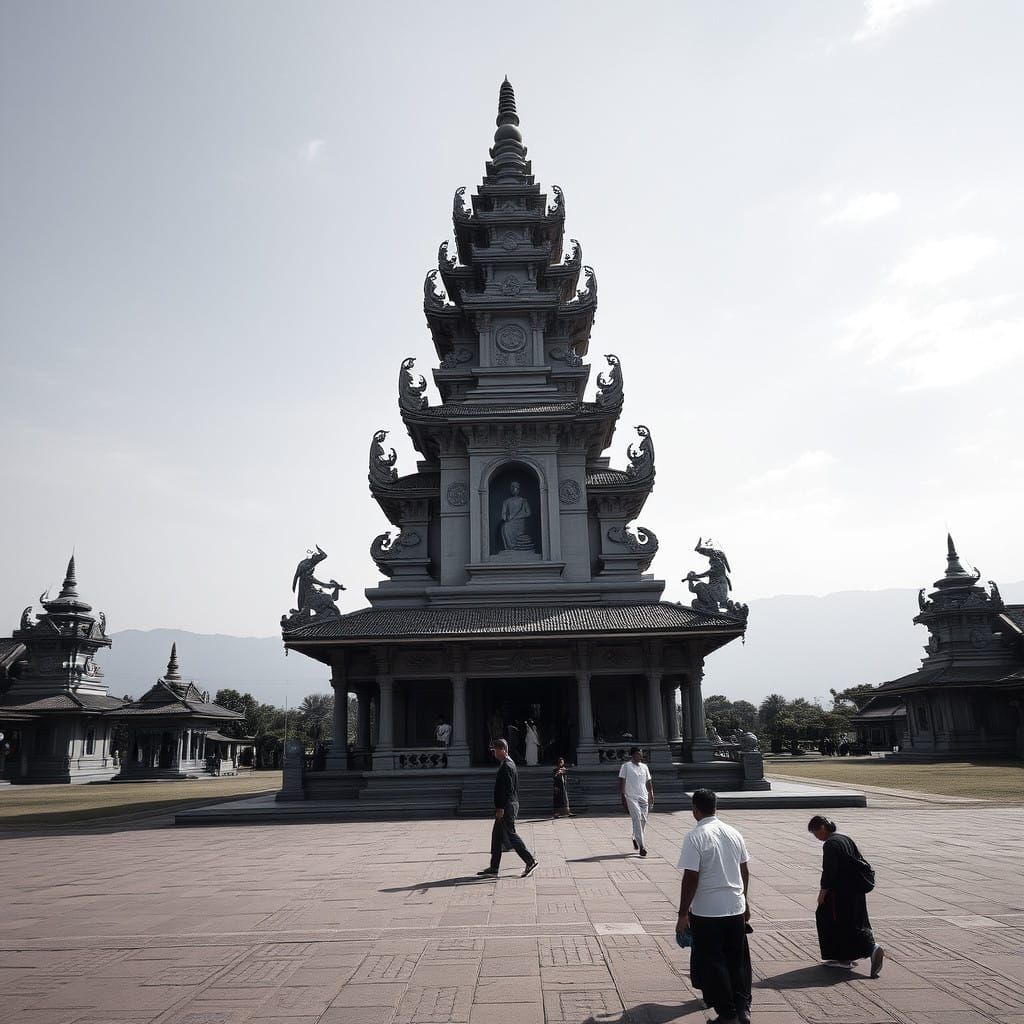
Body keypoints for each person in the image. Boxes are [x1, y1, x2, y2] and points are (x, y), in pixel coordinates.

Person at [676, 789, 752, 1024]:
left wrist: (682, 914)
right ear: (715, 807)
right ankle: (742, 1008)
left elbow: (690, 877)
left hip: (708, 910)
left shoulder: (695, 836)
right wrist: (746, 902)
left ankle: (727, 1014)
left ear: (695, 810)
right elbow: (744, 871)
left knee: (714, 961)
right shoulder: (734, 833)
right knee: (737, 959)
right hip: (735, 906)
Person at [808, 815, 884, 977]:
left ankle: (858, 953)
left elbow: (829, 871)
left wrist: (823, 892)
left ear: (822, 828)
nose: (816, 837)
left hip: (839, 893)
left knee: (831, 919)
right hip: (854, 891)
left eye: (815, 833)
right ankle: (850, 955)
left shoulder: (831, 844)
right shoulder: (845, 838)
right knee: (852, 921)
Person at [477, 738, 538, 878]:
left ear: (502, 750)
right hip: (509, 804)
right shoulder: (508, 764)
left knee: (510, 834)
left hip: (506, 805)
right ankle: (494, 867)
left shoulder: (506, 766)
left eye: (495, 750)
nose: (494, 754)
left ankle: (530, 860)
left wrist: (500, 807)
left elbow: (507, 789)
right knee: (497, 836)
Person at [618, 747, 654, 857]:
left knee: (643, 819)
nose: (640, 756)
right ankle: (642, 846)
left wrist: (651, 793)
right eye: (638, 754)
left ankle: (635, 836)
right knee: (637, 817)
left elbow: (648, 781)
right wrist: (623, 795)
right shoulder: (626, 766)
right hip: (631, 796)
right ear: (633, 755)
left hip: (643, 796)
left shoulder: (644, 767)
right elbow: (621, 781)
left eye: (641, 754)